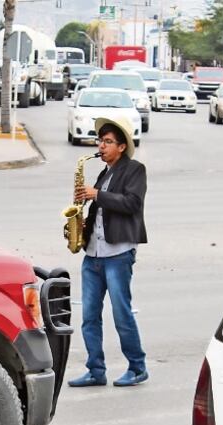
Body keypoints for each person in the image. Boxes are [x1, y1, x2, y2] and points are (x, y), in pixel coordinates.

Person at [67, 117, 149, 388]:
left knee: (121, 313)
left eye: (108, 142)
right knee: (89, 316)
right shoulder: (104, 173)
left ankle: (137, 368)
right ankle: (95, 370)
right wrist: (77, 221)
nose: (101, 146)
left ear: (122, 147)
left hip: (118, 253)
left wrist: (96, 194)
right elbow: (99, 211)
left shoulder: (135, 170)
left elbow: (132, 203)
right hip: (93, 255)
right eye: (100, 141)